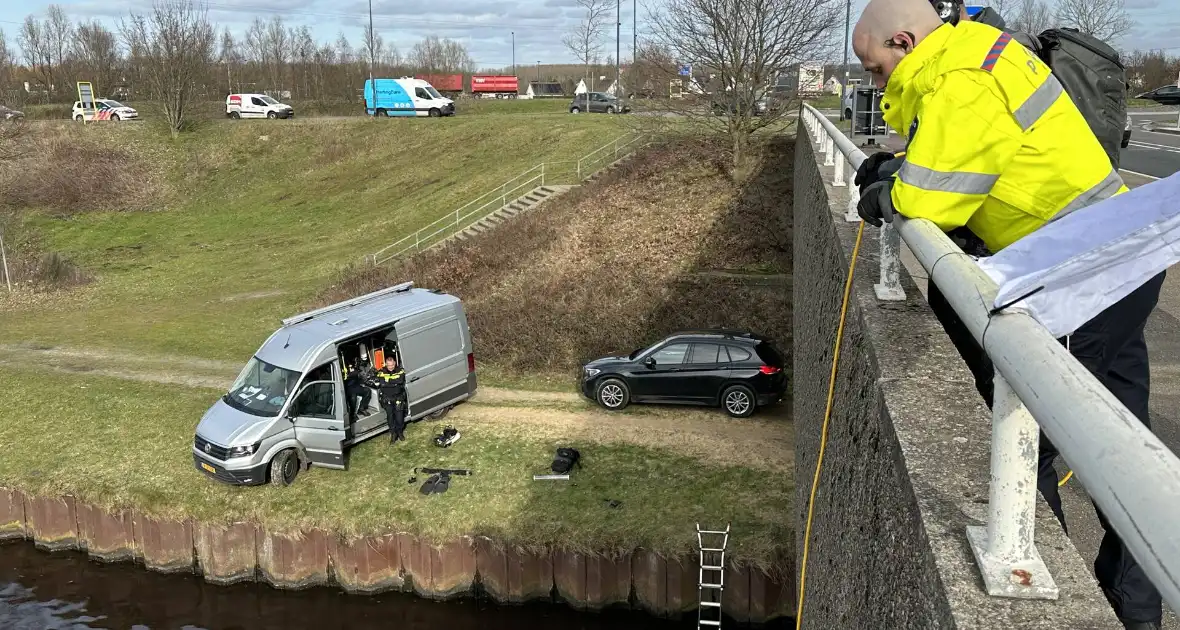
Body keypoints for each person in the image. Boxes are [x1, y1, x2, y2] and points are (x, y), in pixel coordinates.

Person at [851, 1, 1165, 628]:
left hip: (1084, 277)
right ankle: (1135, 601)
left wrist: (890, 189)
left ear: (906, 42)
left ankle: (1096, 595)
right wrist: (896, 169)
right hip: (1111, 258)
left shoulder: (962, 83)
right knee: (1123, 436)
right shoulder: (973, 56)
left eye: (875, 65)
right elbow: (968, 167)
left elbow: (930, 200)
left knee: (1042, 437)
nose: (874, 82)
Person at [370, 352, 408, 444]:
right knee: (390, 418)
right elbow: (382, 383)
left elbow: (400, 380)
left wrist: (388, 381)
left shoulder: (400, 370)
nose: (390, 367)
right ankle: (393, 434)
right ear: (386, 364)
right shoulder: (381, 372)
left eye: (392, 365)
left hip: (398, 397)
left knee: (399, 418)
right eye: (388, 365)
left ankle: (400, 432)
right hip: (387, 399)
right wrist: (393, 382)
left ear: (394, 363)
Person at [343, 357, 373, 423]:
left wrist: (367, 380)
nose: (351, 365)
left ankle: (362, 408)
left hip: (356, 386)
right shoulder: (344, 369)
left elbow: (362, 376)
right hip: (349, 388)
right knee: (353, 399)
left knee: (368, 391)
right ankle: (352, 415)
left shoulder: (357, 369)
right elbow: (345, 378)